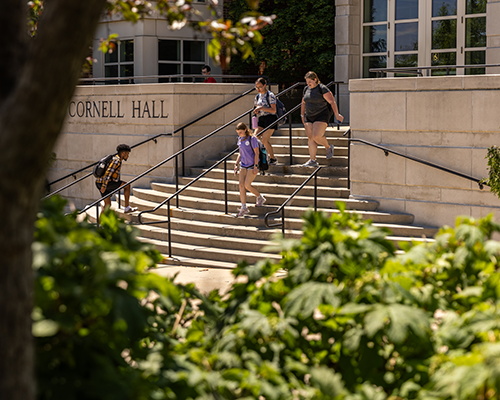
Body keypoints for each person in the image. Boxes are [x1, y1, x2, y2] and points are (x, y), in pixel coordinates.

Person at [301, 71, 344, 167]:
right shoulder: (306, 89)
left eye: (309, 81)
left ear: (315, 79)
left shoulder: (322, 88)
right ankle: (312, 160)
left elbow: (332, 101)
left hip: (321, 114)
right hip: (309, 115)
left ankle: (328, 147)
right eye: (307, 82)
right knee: (310, 138)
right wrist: (302, 115)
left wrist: (337, 114)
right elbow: (303, 102)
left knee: (316, 136)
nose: (308, 84)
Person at [233, 122, 266, 217]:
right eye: (238, 132)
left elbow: (257, 153)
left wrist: (256, 166)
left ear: (245, 130)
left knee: (247, 185)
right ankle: (244, 207)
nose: (239, 134)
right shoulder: (240, 139)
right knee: (241, 185)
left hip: (252, 165)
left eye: (240, 132)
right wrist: (236, 164)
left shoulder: (252, 139)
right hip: (243, 164)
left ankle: (260, 197)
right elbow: (240, 152)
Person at [95, 144, 137, 214]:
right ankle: (127, 208)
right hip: (106, 183)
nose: (128, 156)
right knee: (127, 185)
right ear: (123, 153)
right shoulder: (116, 160)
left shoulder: (114, 159)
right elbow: (108, 173)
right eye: (127, 154)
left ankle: (100, 224)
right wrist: (104, 186)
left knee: (107, 205)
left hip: (99, 182)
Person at [253, 77, 278, 165]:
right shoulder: (257, 96)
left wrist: (261, 108)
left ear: (265, 85)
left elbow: (274, 110)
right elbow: (257, 107)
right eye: (257, 87)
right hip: (262, 118)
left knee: (264, 139)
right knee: (254, 138)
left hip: (271, 118)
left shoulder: (270, 95)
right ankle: (256, 158)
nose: (258, 89)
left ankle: (273, 158)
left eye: (260, 87)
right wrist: (257, 110)